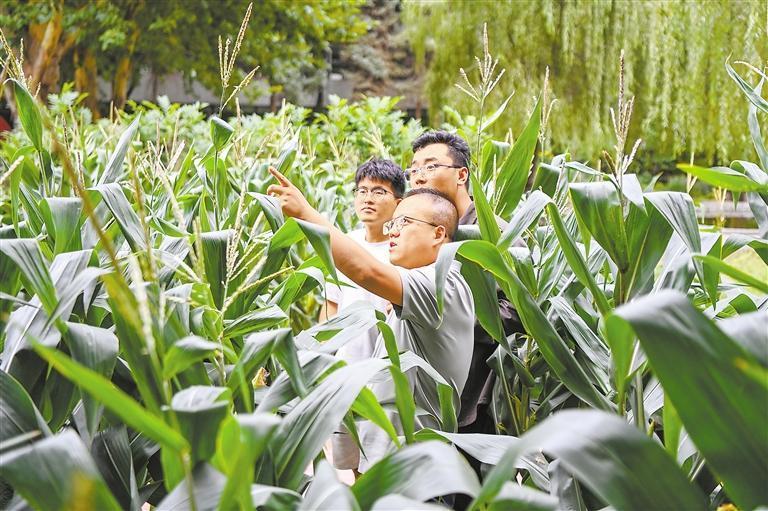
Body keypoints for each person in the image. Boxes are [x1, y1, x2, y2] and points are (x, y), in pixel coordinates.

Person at [267, 167, 475, 472]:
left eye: (404, 222)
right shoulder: (416, 287)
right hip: (383, 448)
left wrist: (304, 212)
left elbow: (367, 271)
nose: (393, 230)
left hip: (411, 462)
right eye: (393, 223)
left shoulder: (441, 284)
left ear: (438, 233)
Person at [407, 130, 523, 456]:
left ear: (462, 174)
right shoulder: (422, 231)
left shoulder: (492, 233)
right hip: (424, 391)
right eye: (414, 169)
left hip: (474, 395)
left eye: (430, 166)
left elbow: (516, 312)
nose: (418, 176)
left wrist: (450, 320)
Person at [320, 158, 404, 475]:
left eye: (379, 191)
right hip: (345, 371)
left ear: (398, 202)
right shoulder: (344, 244)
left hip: (385, 377)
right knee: (350, 465)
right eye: (362, 190)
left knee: (379, 465)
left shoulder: (403, 250)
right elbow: (331, 309)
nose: (367, 198)